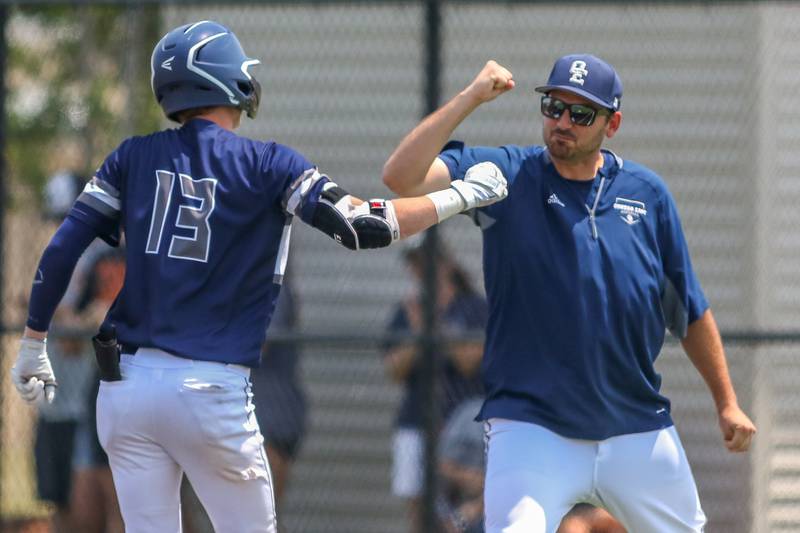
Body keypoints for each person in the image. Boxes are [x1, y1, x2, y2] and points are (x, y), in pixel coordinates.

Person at [9, 21, 507, 533]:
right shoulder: (267, 162)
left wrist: (32, 342)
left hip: (127, 388)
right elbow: (363, 227)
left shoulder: (132, 155)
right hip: (210, 389)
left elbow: (65, 244)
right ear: (227, 80)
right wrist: (462, 196)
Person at [382, 54, 757, 532]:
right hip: (533, 427)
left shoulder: (648, 195)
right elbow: (401, 177)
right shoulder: (507, 176)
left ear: (612, 123)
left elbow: (688, 310)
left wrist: (726, 401)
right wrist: (471, 96)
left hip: (634, 424)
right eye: (553, 107)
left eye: (581, 114)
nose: (562, 122)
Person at [383, 244, 486, 532]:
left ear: (446, 264)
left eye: (426, 262)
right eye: (414, 264)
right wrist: (417, 333)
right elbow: (394, 369)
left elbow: (470, 360)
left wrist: (434, 324)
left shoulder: (473, 307)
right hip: (415, 422)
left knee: (466, 507)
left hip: (463, 426)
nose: (420, 271)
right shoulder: (407, 311)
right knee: (418, 506)